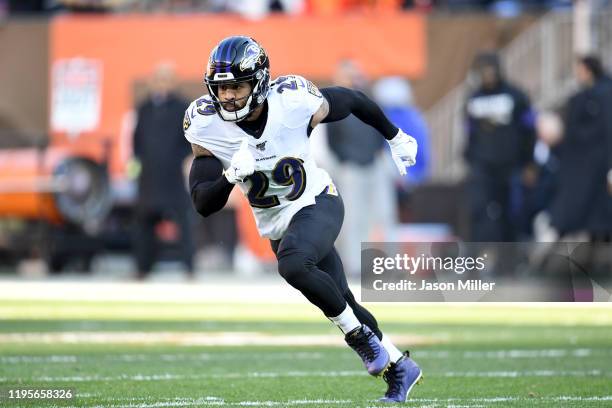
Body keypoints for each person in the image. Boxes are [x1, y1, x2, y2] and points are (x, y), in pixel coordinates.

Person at [185, 36, 421, 403]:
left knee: (293, 264)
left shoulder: (292, 101)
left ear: (259, 82)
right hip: (278, 222)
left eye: (236, 86)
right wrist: (230, 175)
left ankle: (358, 340)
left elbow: (354, 99)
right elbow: (203, 203)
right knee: (343, 300)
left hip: (317, 202)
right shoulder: (206, 124)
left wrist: (395, 136)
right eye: (221, 88)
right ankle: (400, 368)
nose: (228, 96)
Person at [464, 52, 536, 242]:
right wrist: (470, 158)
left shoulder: (516, 96)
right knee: (479, 210)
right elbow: (469, 132)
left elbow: (529, 129)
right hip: (482, 165)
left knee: (511, 212)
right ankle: (478, 259)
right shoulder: (473, 99)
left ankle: (510, 258)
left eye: (490, 70)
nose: (487, 74)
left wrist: (529, 162)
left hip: (510, 165)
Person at [132, 63, 194, 279]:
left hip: (173, 175)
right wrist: (137, 163)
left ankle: (189, 269)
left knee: (184, 222)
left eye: (167, 79)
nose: (162, 83)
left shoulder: (183, 107)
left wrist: (184, 159)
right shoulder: (144, 108)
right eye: (159, 79)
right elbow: (137, 141)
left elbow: (189, 140)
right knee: (144, 224)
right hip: (149, 176)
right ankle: (142, 268)